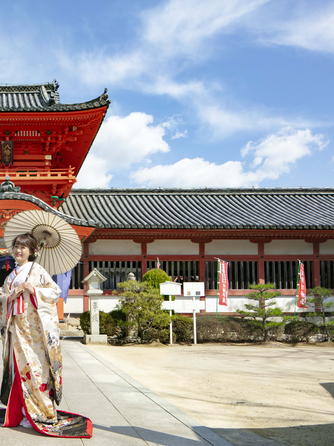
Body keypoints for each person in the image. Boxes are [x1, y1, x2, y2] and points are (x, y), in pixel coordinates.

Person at [0, 233, 92, 438]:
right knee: (18, 371)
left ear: (33, 251)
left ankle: (40, 412)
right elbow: (2, 296)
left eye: (23, 247)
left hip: (34, 332)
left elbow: (54, 291)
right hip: (16, 330)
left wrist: (33, 289)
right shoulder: (12, 275)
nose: (18, 250)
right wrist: (11, 295)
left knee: (36, 370)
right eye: (16, 246)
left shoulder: (38, 271)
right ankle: (21, 411)